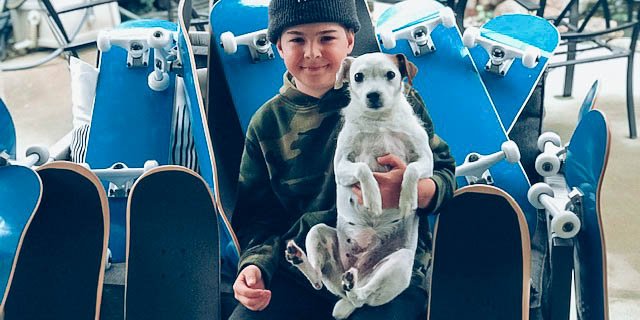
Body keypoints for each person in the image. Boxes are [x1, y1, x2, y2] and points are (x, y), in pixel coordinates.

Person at [229, 0, 456, 319]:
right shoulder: (267, 123)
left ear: (349, 41)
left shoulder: (398, 100)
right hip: (305, 271)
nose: (312, 53)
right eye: (296, 40)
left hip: (389, 270)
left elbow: (445, 172)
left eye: (326, 38)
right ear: (279, 46)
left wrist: (418, 191)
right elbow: (257, 216)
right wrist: (254, 266)